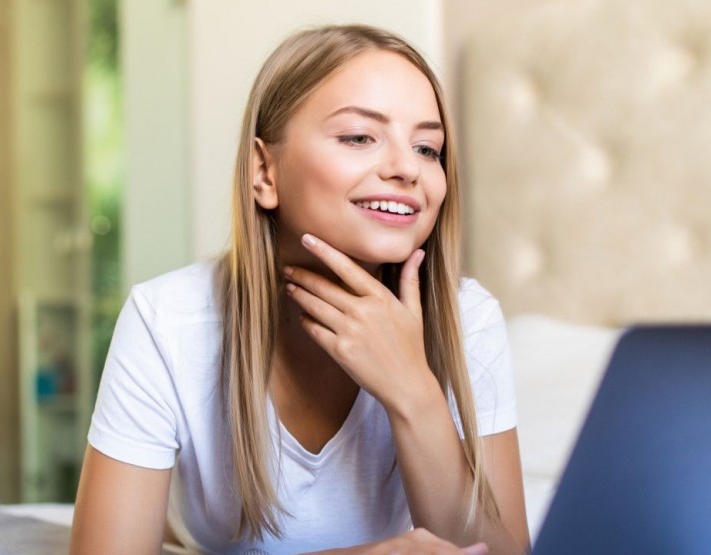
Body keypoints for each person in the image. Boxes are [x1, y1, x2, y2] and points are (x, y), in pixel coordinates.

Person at [72, 24, 528, 554]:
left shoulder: (468, 318)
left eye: (428, 148)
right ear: (264, 171)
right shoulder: (168, 320)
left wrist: (414, 393)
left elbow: (502, 552)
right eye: (359, 137)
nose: (408, 168)